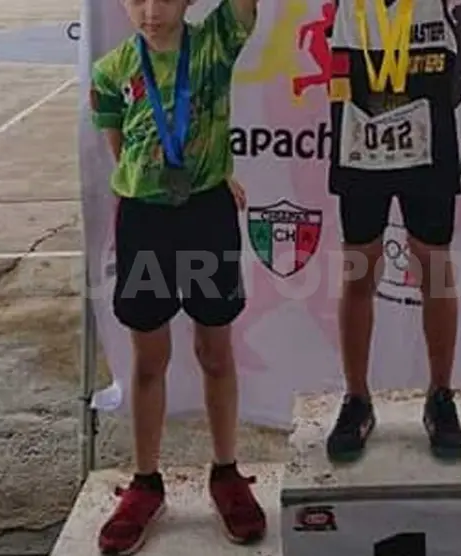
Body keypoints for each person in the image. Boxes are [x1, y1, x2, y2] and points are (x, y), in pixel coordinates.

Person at [88, 0, 265, 553]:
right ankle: (145, 482)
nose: (150, 10)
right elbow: (120, 146)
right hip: (144, 220)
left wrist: (211, 173)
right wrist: (161, 177)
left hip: (207, 215)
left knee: (215, 351)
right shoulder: (111, 70)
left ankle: (226, 472)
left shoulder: (214, 43)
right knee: (149, 360)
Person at [323, 0, 461, 463]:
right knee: (358, 270)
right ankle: (356, 398)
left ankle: (441, 395)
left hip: (428, 139)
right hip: (360, 136)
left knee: (435, 268)